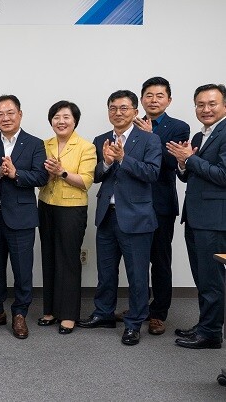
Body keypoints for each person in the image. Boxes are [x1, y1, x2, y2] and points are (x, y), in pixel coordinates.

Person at [78, 90, 161, 346]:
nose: (118, 113)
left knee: (137, 275)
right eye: (113, 108)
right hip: (107, 216)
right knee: (106, 271)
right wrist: (105, 162)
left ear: (135, 111)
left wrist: (124, 158)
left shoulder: (149, 139)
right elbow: (97, 175)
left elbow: (152, 173)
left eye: (124, 108)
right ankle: (103, 313)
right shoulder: (101, 138)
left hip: (136, 218)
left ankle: (134, 322)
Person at [121, 77, 189, 335]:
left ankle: (158, 312)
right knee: (137, 260)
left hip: (159, 203)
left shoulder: (178, 127)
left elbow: (173, 163)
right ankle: (139, 307)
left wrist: (151, 137)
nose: (153, 100)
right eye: (148, 95)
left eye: (159, 95)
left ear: (169, 100)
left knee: (159, 260)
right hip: (132, 203)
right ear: (141, 100)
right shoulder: (130, 126)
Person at [0, 95, 48, 339]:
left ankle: (19, 313)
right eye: (0, 113)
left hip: (22, 216)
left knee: (22, 269)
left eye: (10, 112)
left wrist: (16, 174)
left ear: (20, 114)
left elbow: (41, 177)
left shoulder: (35, 143)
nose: (5, 117)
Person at [167, 83, 226, 349]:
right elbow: (191, 174)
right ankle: (206, 325)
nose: (205, 109)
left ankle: (211, 333)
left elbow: (223, 176)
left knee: (212, 279)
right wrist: (183, 163)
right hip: (196, 216)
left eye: (212, 103)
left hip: (214, 219)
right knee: (202, 277)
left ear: (224, 105)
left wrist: (189, 160)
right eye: (200, 104)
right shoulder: (202, 136)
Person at [37, 101, 96, 334]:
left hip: (72, 208)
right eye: (56, 117)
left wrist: (60, 172)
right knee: (49, 256)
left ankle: (69, 314)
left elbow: (86, 182)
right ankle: (50, 310)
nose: (61, 121)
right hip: (46, 204)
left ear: (75, 121)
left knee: (69, 260)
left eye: (66, 117)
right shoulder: (44, 144)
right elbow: (39, 176)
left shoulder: (86, 147)